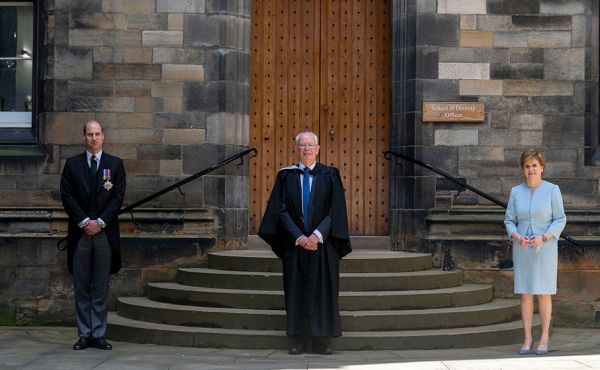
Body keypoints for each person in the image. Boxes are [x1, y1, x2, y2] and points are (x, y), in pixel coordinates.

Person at [258, 131, 351, 355]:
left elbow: (335, 209)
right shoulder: (286, 176)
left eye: (310, 145)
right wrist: (299, 237)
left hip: (323, 244)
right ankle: (299, 339)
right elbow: (279, 210)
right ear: (297, 149)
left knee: (324, 291)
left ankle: (321, 340)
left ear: (318, 149)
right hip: (295, 244)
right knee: (296, 290)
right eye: (302, 146)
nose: (307, 149)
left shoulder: (330, 174)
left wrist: (317, 235)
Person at [60, 120, 126, 351]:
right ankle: (84, 334)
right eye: (90, 134)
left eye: (97, 134)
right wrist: (84, 221)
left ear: (103, 136)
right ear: (84, 137)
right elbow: (67, 196)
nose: (94, 138)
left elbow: (117, 197)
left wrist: (99, 222)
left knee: (100, 285)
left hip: (104, 234)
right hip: (80, 233)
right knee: (81, 285)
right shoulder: (72, 165)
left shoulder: (115, 165)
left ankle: (98, 333)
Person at [504, 149, 566, 356]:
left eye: (534, 165)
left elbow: (560, 218)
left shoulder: (552, 190)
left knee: (544, 293)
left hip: (545, 248)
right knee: (526, 293)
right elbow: (509, 220)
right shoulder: (516, 192)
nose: (531, 169)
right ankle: (528, 337)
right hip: (522, 248)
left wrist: (545, 236)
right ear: (523, 169)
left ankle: (545, 336)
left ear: (542, 168)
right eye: (527, 166)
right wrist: (516, 236)